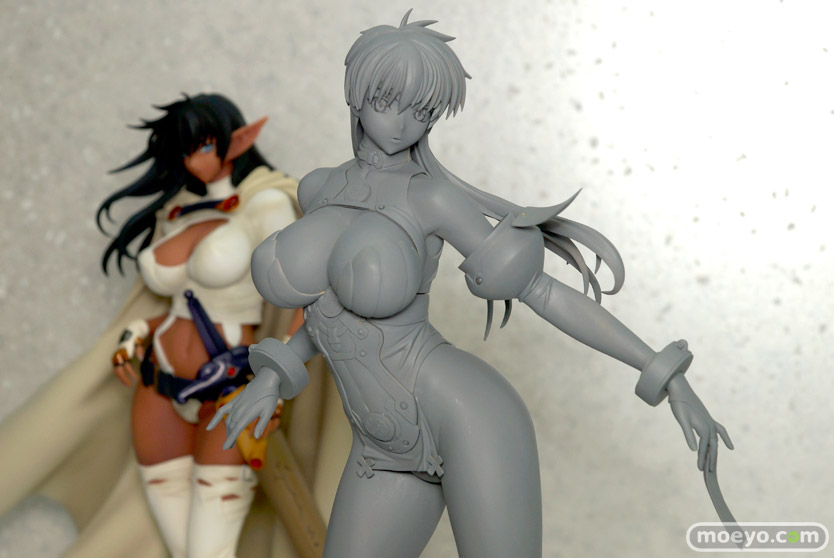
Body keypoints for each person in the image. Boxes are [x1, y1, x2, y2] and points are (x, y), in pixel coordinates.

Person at [210, 13, 733, 558]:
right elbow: (332, 314)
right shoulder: (318, 188)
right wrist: (271, 377)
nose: (403, 124)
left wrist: (663, 372)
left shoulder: (432, 198)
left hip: (469, 417)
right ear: (356, 93)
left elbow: (543, 293)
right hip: (380, 443)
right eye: (387, 100)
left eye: (422, 111)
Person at [0, 94, 347, 558]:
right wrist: (134, 335)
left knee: (209, 549)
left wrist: (278, 376)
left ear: (238, 140)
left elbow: (312, 294)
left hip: (231, 390)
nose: (190, 161)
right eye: (183, 150)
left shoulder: (265, 206)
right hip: (156, 385)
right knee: (181, 548)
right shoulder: (178, 208)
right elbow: (171, 304)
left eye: (201, 146)